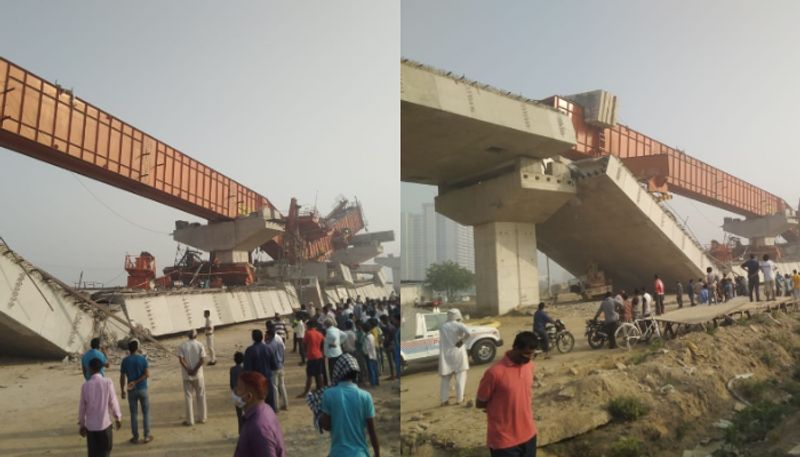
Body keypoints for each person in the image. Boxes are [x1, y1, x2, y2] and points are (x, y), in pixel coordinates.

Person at [476, 332, 538, 457]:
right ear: (515, 348)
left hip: (529, 435)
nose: (529, 358)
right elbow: (480, 402)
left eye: (532, 354)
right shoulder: (494, 373)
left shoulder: (529, 366)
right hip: (504, 441)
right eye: (526, 354)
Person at [320, 354, 380, 457]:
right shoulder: (366, 396)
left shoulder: (328, 394)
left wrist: (319, 418)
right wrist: (377, 454)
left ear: (338, 372)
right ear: (356, 374)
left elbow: (327, 426)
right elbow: (372, 431)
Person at [233, 371, 286, 457]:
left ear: (248, 397)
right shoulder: (266, 409)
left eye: (239, 389)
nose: (235, 392)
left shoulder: (258, 428)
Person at [79, 357, 122, 457]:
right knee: (105, 452)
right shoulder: (107, 382)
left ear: (90, 369)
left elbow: (82, 407)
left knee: (93, 454)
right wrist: (118, 417)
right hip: (105, 425)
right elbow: (113, 401)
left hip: (91, 427)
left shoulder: (85, 386)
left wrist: (82, 424)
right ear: (101, 368)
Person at [119, 339, 151, 444]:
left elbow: (122, 377)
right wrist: (136, 381)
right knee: (146, 413)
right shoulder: (142, 359)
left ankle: (135, 437)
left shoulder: (125, 361)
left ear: (129, 349)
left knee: (133, 414)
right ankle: (146, 436)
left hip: (131, 390)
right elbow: (147, 374)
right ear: (137, 348)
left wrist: (122, 390)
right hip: (142, 388)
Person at [439, 308, 470, 405]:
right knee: (460, 376)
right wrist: (461, 341)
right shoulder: (459, 325)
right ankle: (459, 399)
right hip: (458, 352)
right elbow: (469, 333)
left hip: (446, 354)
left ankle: (444, 400)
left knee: (445, 379)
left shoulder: (443, 326)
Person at [244, 329, 278, 412]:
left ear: (253, 338)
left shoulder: (250, 350)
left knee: (257, 408)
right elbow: (274, 366)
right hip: (267, 380)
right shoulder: (268, 348)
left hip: (255, 382)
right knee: (270, 405)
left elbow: (247, 369)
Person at [178, 330, 207, 426]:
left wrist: (188, 369)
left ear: (188, 335)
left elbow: (181, 360)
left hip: (187, 375)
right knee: (201, 395)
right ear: (196, 335)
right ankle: (202, 418)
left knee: (188, 397)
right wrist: (195, 370)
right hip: (198, 375)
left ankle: (190, 420)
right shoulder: (200, 345)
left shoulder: (182, 345)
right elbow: (202, 359)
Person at [298, 320, 325, 397]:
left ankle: (306, 392)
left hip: (311, 356)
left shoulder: (308, 333)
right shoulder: (320, 334)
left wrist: (306, 353)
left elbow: (304, 344)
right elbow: (323, 342)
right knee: (319, 374)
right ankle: (321, 390)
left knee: (309, 375)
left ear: (309, 326)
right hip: (319, 355)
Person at [266, 326, 289, 412]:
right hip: (281, 366)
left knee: (274, 387)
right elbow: (283, 355)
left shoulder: (270, 345)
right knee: (282, 386)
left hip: (274, 368)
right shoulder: (279, 343)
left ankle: (276, 406)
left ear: (269, 335)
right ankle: (285, 404)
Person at [324, 317, 345, 384]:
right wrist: (339, 343)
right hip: (338, 352)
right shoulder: (336, 329)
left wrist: (334, 343)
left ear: (326, 325)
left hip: (332, 354)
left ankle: (334, 382)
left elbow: (333, 337)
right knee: (338, 368)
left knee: (332, 369)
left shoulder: (329, 331)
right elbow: (344, 335)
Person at [230, 351, 245, 431]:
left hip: (236, 393)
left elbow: (231, 383)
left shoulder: (232, 369)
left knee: (239, 414)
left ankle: (240, 430)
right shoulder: (244, 369)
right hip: (244, 393)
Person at [379, 315, 397, 380]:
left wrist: (383, 341)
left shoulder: (387, 328)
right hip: (393, 344)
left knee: (390, 361)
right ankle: (395, 374)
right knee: (394, 360)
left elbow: (387, 338)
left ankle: (393, 375)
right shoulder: (393, 326)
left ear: (383, 320)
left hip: (388, 345)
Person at [364, 322, 380, 387]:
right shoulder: (372, 335)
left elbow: (367, 347)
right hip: (374, 353)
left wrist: (365, 353)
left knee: (371, 369)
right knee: (375, 368)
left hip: (369, 355)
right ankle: (377, 381)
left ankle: (373, 383)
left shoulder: (367, 337)